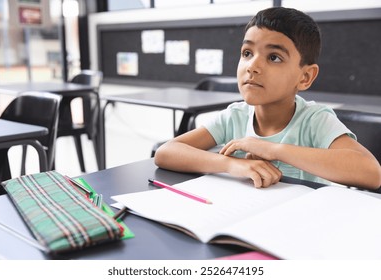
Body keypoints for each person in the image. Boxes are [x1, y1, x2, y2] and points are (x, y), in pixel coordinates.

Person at [154, 7, 381, 190]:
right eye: (247, 53)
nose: (252, 66)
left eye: (274, 57)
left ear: (305, 77)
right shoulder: (235, 116)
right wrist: (231, 165)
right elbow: (166, 153)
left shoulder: (314, 120)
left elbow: (372, 173)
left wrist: (272, 150)